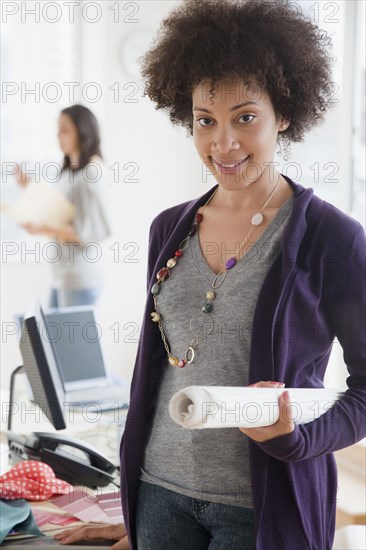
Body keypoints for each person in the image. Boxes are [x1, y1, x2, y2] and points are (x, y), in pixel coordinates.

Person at [55, 1, 366, 548]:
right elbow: (161, 368)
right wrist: (133, 507)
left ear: (284, 113)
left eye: (245, 117)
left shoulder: (331, 239)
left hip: (262, 505)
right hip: (158, 497)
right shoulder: (168, 228)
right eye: (205, 121)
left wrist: (298, 438)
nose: (223, 143)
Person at [15, 104, 111, 307]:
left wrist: (43, 228)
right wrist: (30, 188)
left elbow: (89, 234)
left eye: (65, 129)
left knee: (72, 338)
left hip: (80, 277)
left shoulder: (92, 171)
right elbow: (60, 213)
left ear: (83, 130)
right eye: (58, 128)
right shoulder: (67, 171)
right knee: (52, 336)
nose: (58, 135)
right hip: (61, 276)